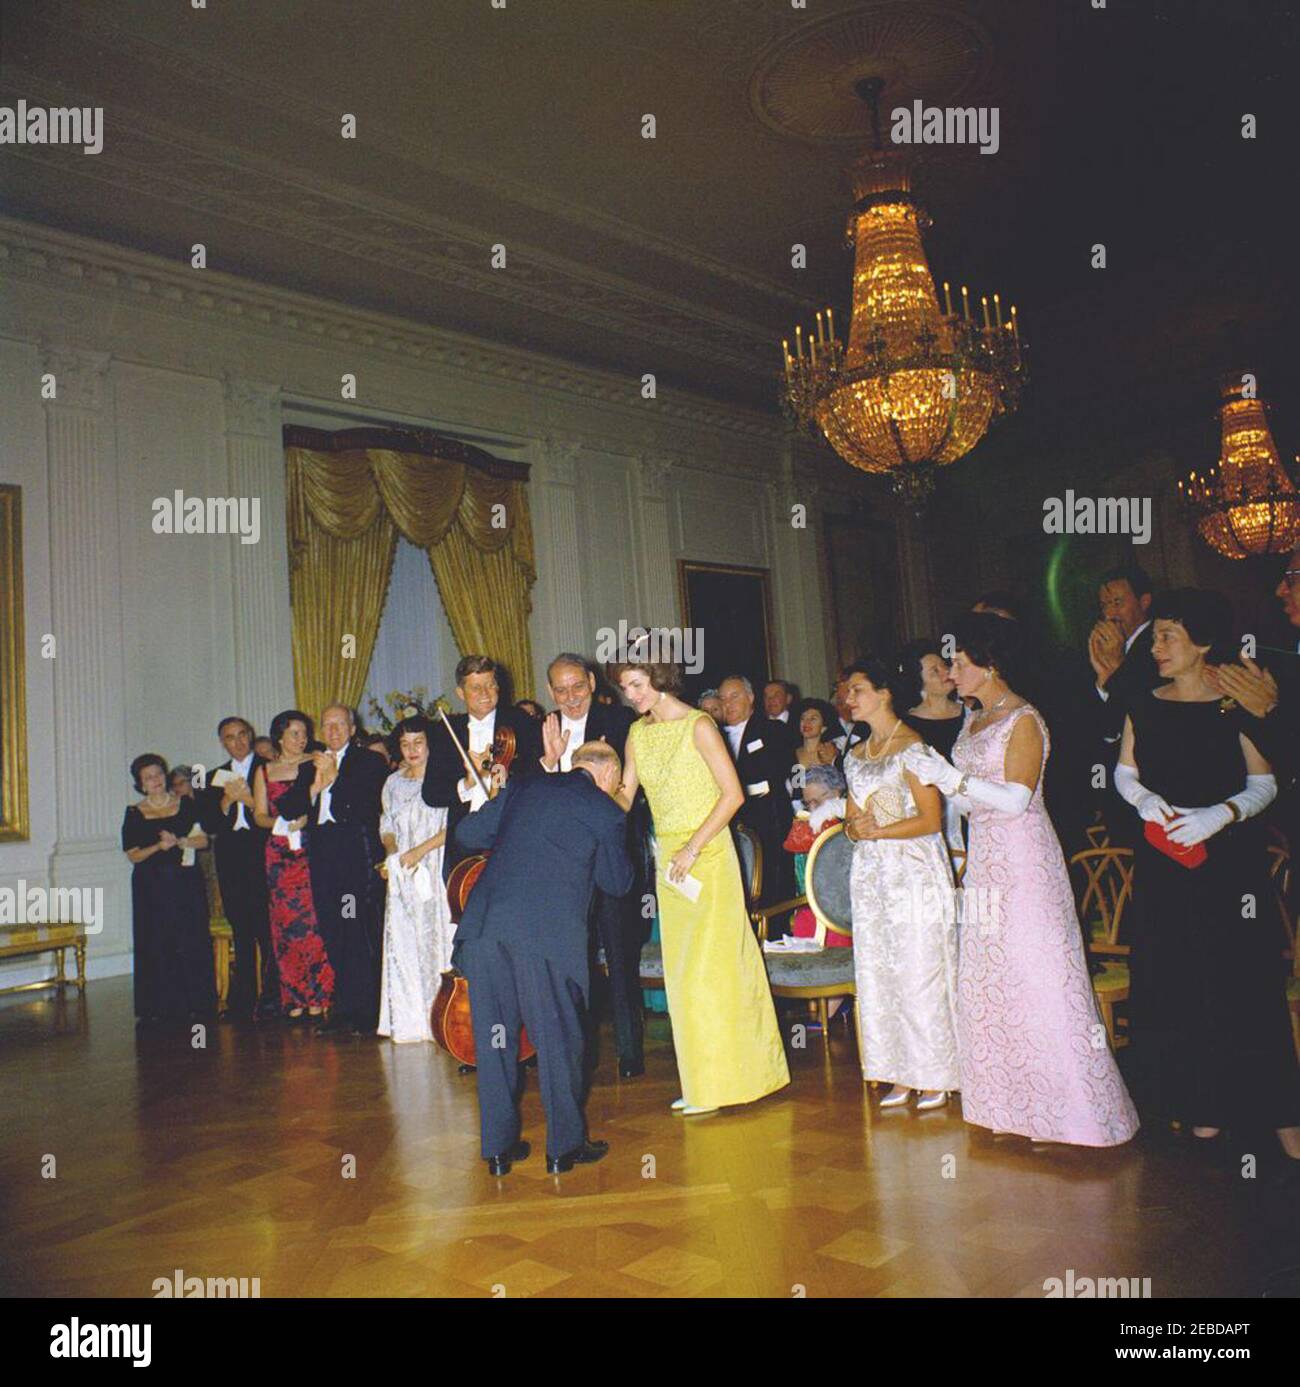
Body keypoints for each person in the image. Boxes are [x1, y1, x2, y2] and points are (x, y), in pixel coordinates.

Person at [911, 613, 1139, 1147]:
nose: (951, 673)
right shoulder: (972, 720)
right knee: (993, 980)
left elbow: (1016, 799)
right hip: (986, 859)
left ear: (990, 666)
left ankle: (1074, 1117)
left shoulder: (1025, 720)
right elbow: (972, 802)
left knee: (1039, 976)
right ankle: (1014, 1109)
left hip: (1025, 860)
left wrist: (952, 778)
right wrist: (948, 798)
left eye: (960, 663)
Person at [1115, 588, 1299, 1160]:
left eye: (1169, 635)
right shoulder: (1143, 702)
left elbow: (1264, 783)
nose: (1157, 646)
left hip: (1228, 869)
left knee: (1245, 986)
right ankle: (1203, 1109)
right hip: (1165, 864)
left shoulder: (1232, 702)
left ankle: (1282, 1120)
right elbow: (1123, 769)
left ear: (1203, 644)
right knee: (1177, 985)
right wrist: (1144, 800)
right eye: (1156, 635)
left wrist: (1221, 815)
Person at [615, 657, 790, 1115]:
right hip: (668, 860)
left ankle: (734, 1079)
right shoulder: (637, 733)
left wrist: (692, 847)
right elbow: (625, 796)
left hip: (707, 854)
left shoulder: (699, 725)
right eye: (625, 687)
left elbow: (732, 795)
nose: (631, 694)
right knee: (684, 973)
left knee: (716, 970)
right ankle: (702, 1081)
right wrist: (572, 784)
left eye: (636, 684)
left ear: (658, 678)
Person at [453, 740, 634, 1175]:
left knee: (495, 1038)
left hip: (485, 930)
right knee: (559, 1041)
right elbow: (618, 882)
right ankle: (564, 1149)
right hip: (544, 939)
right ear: (608, 776)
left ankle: (497, 1150)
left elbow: (467, 835)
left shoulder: (525, 787)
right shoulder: (606, 809)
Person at [841, 658, 959, 1110]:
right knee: (881, 970)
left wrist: (879, 832)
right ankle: (898, 1072)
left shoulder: (914, 748)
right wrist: (857, 830)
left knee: (919, 967)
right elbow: (851, 820)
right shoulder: (855, 755)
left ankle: (935, 1073)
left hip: (913, 869)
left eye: (857, 689)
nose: (849, 699)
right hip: (872, 875)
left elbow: (931, 819)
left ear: (884, 692)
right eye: (848, 692)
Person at [541, 652, 650, 1079]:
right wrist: (551, 762)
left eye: (578, 687)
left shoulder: (621, 721)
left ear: (591, 682)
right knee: (571, 958)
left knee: (621, 956)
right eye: (561, 690)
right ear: (551, 691)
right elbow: (536, 795)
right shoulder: (542, 731)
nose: (571, 698)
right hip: (564, 865)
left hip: (610, 855)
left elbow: (631, 789)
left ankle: (629, 1051)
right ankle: (578, 1053)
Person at [278, 703, 389, 1036]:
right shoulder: (310, 764)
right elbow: (287, 808)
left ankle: (367, 1012)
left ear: (353, 729)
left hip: (353, 852)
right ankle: (344, 1009)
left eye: (340, 725)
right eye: (327, 725)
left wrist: (335, 779)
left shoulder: (369, 761)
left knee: (356, 927)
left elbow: (365, 805)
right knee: (332, 927)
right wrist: (315, 784)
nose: (333, 731)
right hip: (323, 852)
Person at [421, 655, 543, 881]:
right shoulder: (446, 732)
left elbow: (535, 778)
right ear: (460, 693)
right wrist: (467, 782)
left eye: (491, 685)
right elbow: (431, 794)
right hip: (465, 844)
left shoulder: (520, 722)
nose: (486, 694)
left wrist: (501, 774)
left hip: (513, 836)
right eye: (476, 688)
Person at [121, 753, 217, 1024]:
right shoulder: (134, 812)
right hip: (151, 887)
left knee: (190, 938)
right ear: (140, 783)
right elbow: (133, 855)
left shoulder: (185, 804)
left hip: (185, 883)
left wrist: (180, 841)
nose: (156, 781)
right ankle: (160, 1006)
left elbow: (203, 842)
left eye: (159, 774)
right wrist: (158, 847)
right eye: (148, 777)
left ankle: (197, 1002)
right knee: (157, 941)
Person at [253, 710, 334, 1021]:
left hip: (312, 848)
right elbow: (259, 814)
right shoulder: (264, 771)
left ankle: (321, 993)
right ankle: (295, 996)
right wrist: (281, 824)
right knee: (286, 925)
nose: (301, 739)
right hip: (278, 853)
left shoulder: (315, 763)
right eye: (294, 734)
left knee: (314, 922)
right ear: (280, 737)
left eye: (304, 733)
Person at [197, 716, 279, 1020]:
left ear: (250, 735)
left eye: (242, 735)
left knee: (268, 931)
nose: (238, 742)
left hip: (264, 853)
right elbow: (208, 824)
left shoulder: (269, 767)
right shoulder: (212, 776)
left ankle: (273, 1000)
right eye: (230, 737)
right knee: (242, 930)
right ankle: (242, 1003)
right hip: (232, 860)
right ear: (223, 742)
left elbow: (278, 812)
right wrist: (226, 803)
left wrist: (246, 797)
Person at [376, 716, 451, 1044]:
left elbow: (455, 827)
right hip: (404, 871)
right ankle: (412, 1021)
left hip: (435, 866)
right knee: (406, 942)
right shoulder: (393, 782)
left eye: (418, 742)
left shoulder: (444, 778)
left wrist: (419, 852)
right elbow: (387, 823)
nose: (412, 750)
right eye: (405, 744)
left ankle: (444, 1019)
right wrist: (393, 853)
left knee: (437, 937)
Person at [1088, 565, 1161, 845]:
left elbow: (1146, 709)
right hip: (1117, 779)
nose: (1109, 614)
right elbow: (1108, 723)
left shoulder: (1157, 643)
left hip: (1150, 780)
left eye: (1118, 602)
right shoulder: (1111, 648)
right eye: (1104, 605)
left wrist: (1117, 670)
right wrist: (1103, 680)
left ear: (1144, 601)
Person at [717, 674, 797, 920]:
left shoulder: (772, 730)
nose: (727, 704)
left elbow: (785, 774)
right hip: (729, 829)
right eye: (723, 699)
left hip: (767, 827)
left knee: (771, 896)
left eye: (734, 696)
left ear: (751, 698)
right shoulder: (714, 735)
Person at [899, 639, 966, 853]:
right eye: (934, 671)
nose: (945, 672)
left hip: (972, 804)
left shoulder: (971, 714)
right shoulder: (908, 725)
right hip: (935, 811)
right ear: (920, 683)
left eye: (944, 666)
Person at [782, 763, 850, 949]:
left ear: (836, 794)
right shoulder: (806, 828)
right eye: (807, 803)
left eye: (817, 802)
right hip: (807, 907)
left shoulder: (851, 826)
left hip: (843, 912)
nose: (811, 808)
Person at [785, 696, 840, 812]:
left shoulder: (830, 753)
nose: (806, 723)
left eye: (813, 719)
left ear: (824, 727)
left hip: (829, 812)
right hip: (799, 815)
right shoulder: (790, 755)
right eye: (803, 718)